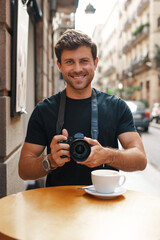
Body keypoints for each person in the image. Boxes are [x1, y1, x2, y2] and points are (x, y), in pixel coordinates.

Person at [19, 29, 147, 187]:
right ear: (59, 66)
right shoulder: (44, 110)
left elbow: (140, 159)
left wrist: (108, 155)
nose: (78, 69)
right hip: (57, 205)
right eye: (69, 62)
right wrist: (50, 161)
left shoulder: (117, 106)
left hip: (105, 204)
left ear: (95, 63)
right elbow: (23, 170)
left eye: (84, 61)